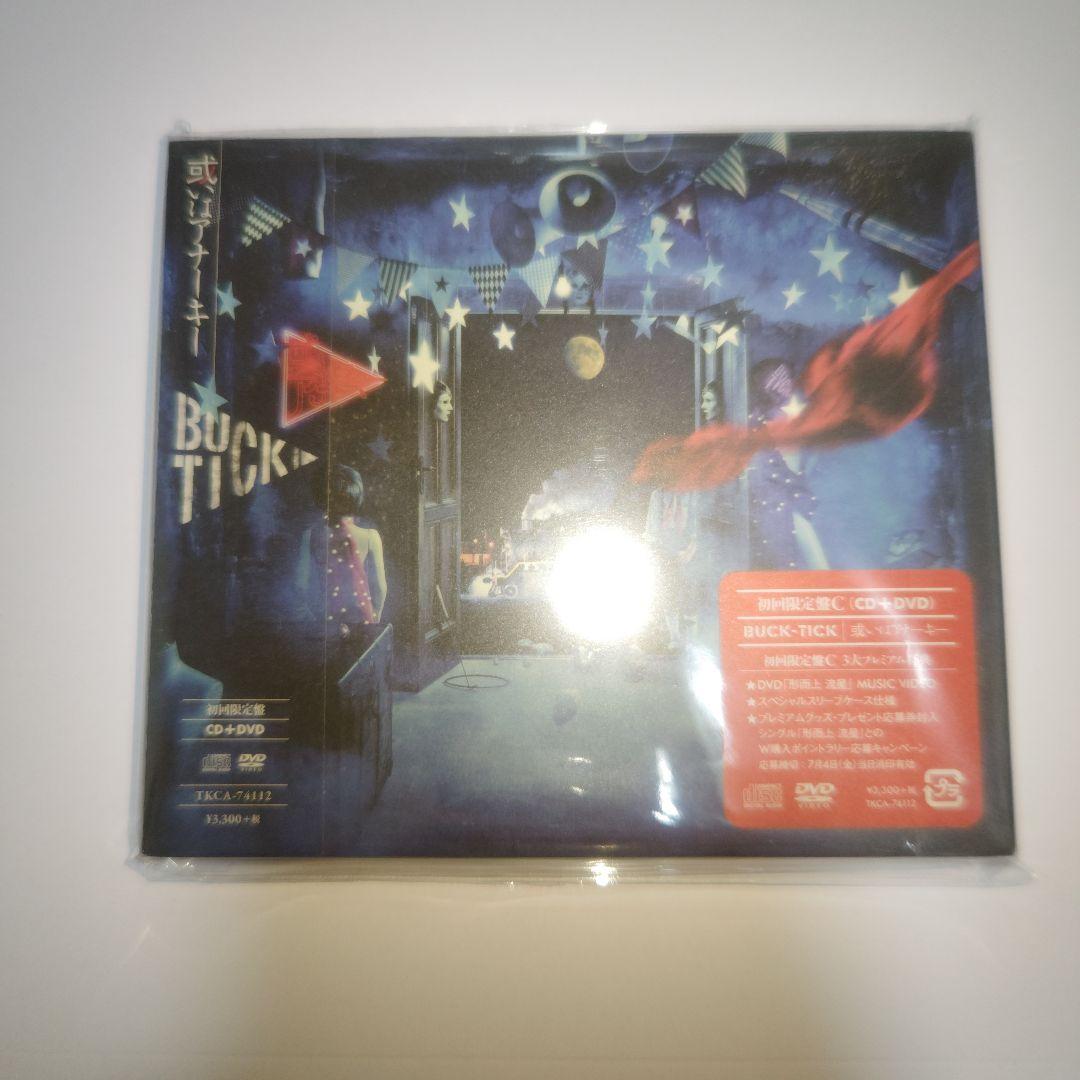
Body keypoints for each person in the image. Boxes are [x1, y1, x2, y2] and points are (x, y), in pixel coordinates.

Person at [747, 360, 828, 570]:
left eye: (786, 377)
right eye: (778, 380)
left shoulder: (794, 416)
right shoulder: (761, 424)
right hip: (781, 506)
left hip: (799, 499)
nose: (787, 383)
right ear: (766, 388)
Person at [308, 464, 387, 636]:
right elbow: (380, 588)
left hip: (326, 618)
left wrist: (318, 617)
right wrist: (375, 617)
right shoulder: (370, 536)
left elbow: (307, 584)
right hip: (361, 618)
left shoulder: (313, 534)